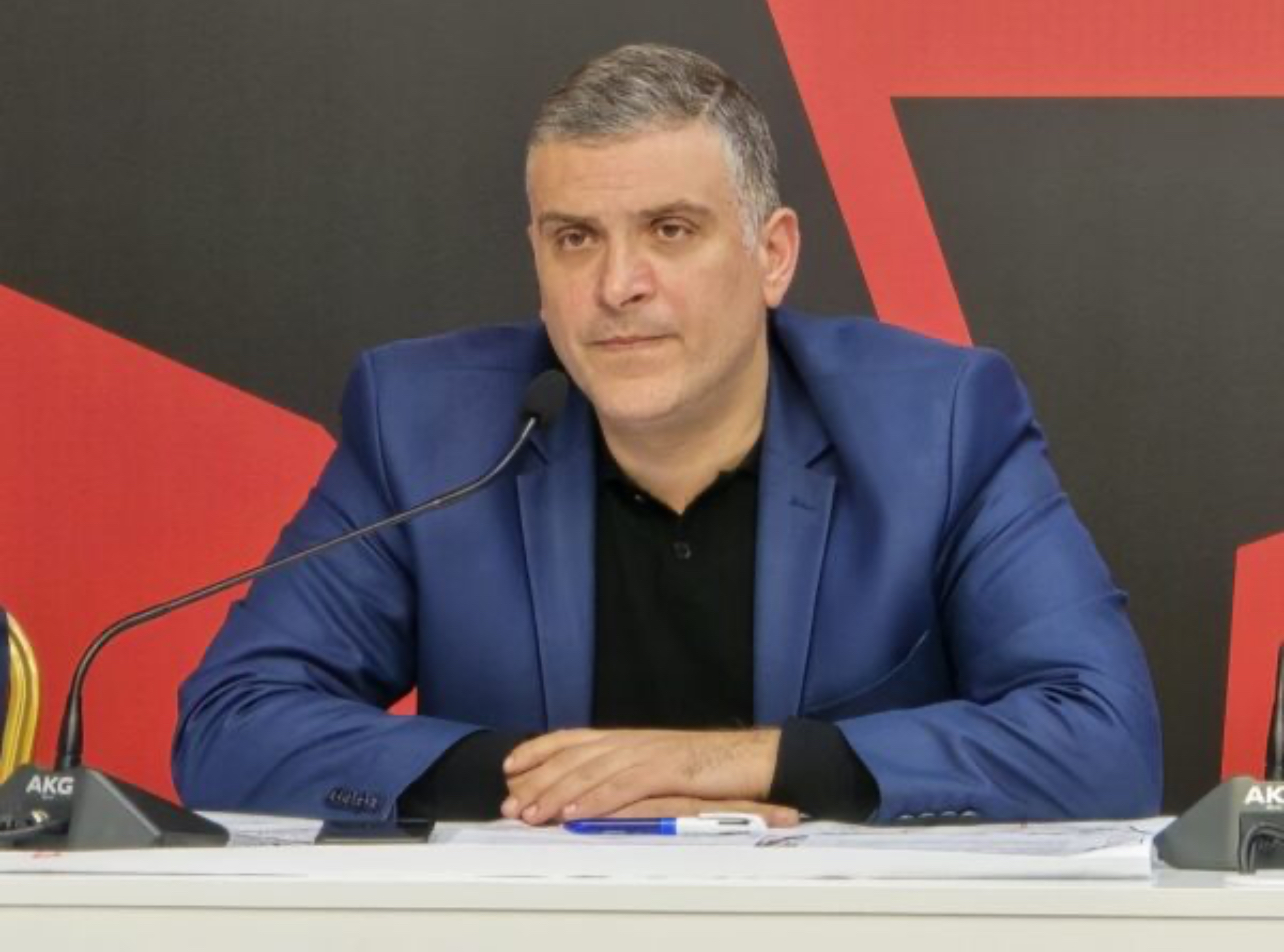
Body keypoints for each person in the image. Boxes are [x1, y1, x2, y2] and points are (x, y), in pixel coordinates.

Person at [174, 44, 1162, 827]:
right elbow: (234, 721)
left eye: (671, 230)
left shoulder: (939, 421)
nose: (618, 286)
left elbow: (1105, 741)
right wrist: (558, 785)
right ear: (536, 257)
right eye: (576, 238)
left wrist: (728, 762)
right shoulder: (426, 423)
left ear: (773, 255)